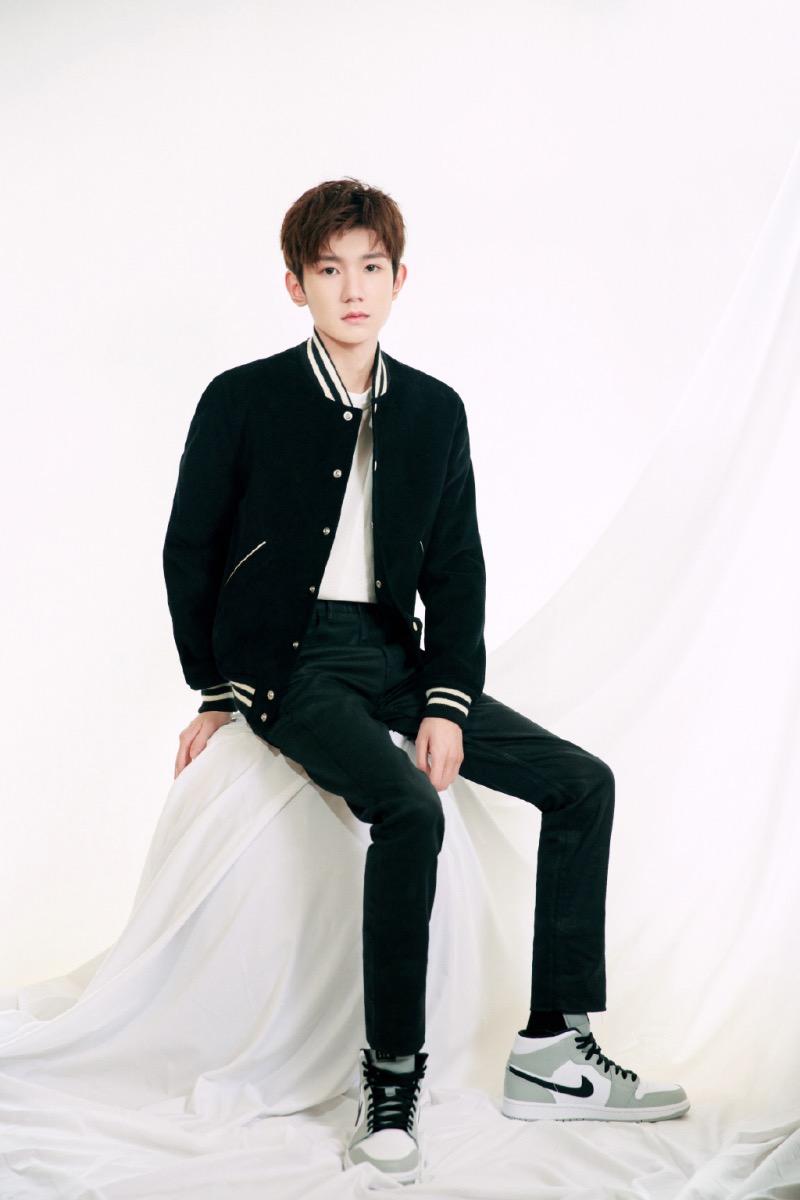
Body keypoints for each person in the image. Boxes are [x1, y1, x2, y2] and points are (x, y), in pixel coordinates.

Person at [163, 178, 689, 1185]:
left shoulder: (434, 412)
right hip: (288, 665)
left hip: (394, 658)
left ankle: (552, 1050)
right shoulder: (242, 398)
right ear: (295, 285)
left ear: (400, 279)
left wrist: (445, 699)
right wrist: (217, 691)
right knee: (409, 807)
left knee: (581, 782)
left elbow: (455, 572)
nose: (352, 288)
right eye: (329, 269)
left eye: (370, 267)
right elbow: (191, 550)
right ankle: (391, 1079)